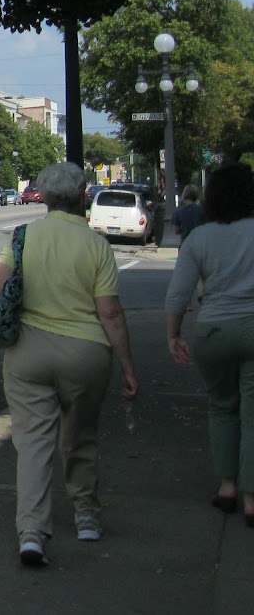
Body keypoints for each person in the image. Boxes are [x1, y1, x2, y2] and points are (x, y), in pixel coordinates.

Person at [0, 160, 140, 567]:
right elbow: (109, 312)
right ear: (82, 195)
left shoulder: (24, 237)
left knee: (32, 443)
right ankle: (86, 516)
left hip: (28, 352)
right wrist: (126, 366)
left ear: (45, 196)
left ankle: (32, 533)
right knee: (80, 435)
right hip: (85, 352)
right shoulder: (96, 245)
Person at [165, 162, 254, 525]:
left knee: (221, 406)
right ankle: (251, 499)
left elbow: (178, 294)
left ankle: (227, 486)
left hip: (214, 330)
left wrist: (173, 335)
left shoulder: (199, 238)